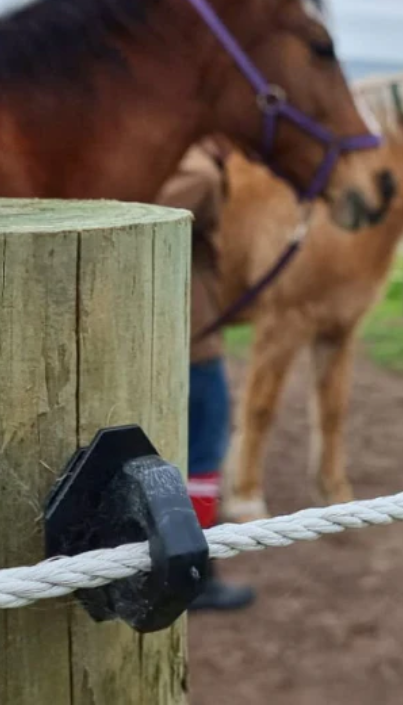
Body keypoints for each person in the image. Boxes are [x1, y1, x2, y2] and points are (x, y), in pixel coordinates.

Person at [155, 136, 255, 612]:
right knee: (203, 455)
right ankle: (196, 576)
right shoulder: (198, 172)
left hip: (179, 339)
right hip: (194, 343)